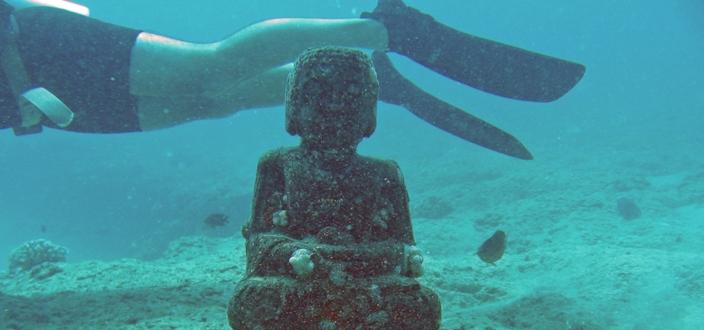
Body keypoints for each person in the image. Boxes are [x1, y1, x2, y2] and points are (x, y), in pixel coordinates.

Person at [0, 0, 585, 159]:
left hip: (32, 47)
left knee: (210, 67)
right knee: (214, 101)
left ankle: (386, 31)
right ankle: (369, 78)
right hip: (34, 106)